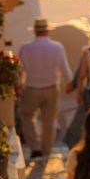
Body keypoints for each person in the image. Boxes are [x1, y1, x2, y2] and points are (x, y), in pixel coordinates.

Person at [18, 18, 73, 159]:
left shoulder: (25, 49)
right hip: (51, 89)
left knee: (27, 117)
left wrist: (18, 85)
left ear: (35, 31)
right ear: (47, 31)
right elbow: (64, 69)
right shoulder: (57, 47)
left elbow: (20, 71)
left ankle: (35, 148)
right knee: (48, 120)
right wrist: (71, 84)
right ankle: (46, 150)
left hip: (31, 88)